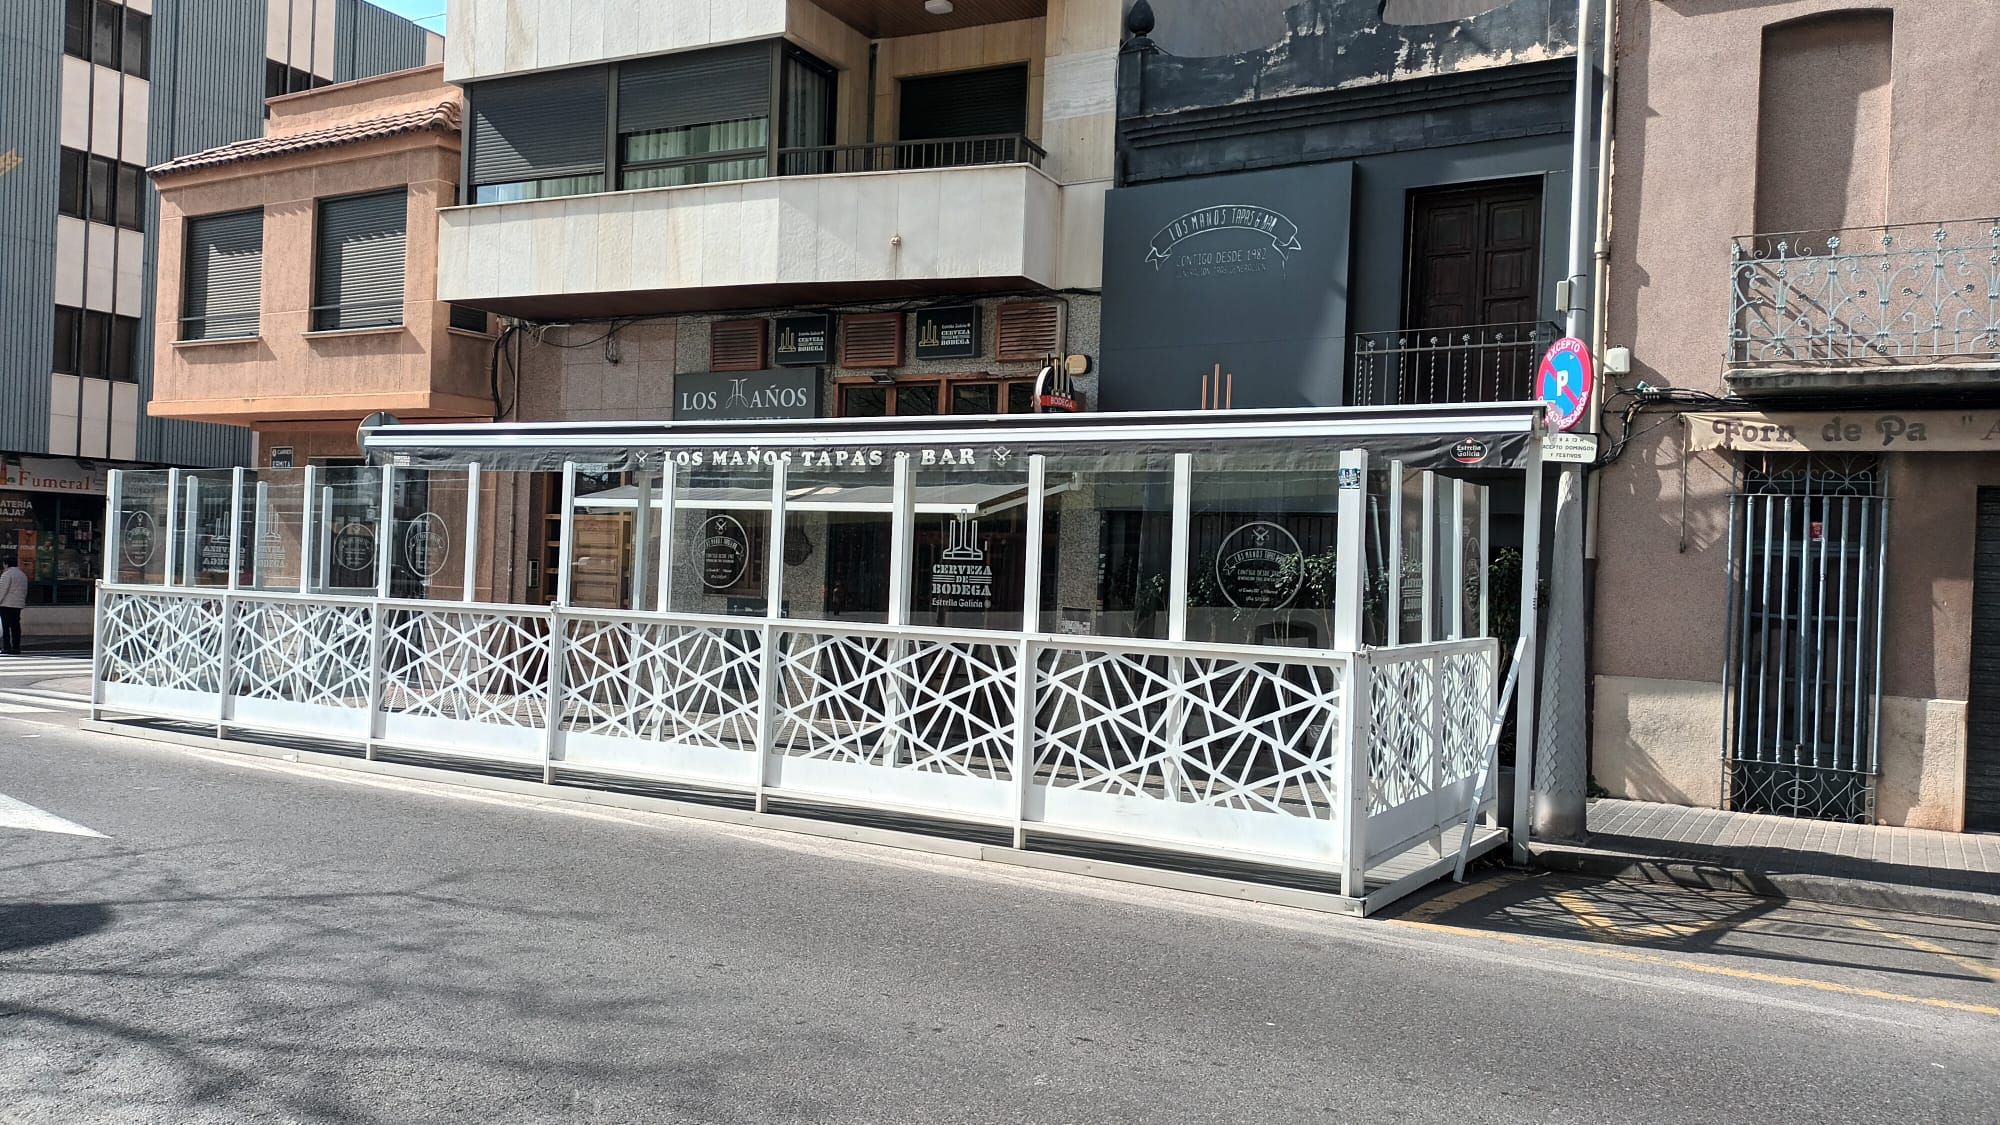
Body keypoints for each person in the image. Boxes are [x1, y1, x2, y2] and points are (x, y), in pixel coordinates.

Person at [0, 554, 25, 656]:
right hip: (17, 604)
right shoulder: (22, 575)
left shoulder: (7, 574)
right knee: (15, 626)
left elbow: (2, 590)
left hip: (6, 604)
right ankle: (16, 646)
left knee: (6, 627)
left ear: (6, 564)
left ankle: (7, 646)